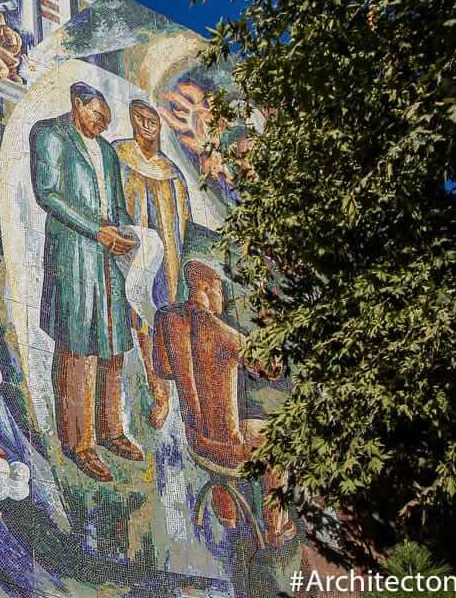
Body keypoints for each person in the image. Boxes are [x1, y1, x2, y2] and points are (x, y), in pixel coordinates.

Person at [30, 82, 143, 482]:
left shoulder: (108, 152)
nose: (100, 125)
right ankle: (79, 442)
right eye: (96, 117)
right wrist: (97, 230)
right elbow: (48, 194)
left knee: (113, 344)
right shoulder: (50, 134)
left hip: (109, 257)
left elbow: (117, 203)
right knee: (77, 348)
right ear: (77, 104)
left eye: (105, 121)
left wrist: (127, 234)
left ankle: (112, 431)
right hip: (74, 256)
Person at [152, 260, 294, 546]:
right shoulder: (226, 335)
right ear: (208, 287)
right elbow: (273, 369)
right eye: (221, 292)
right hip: (229, 450)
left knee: (219, 426)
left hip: (195, 441)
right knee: (279, 442)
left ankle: (227, 514)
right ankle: (275, 530)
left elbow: (163, 368)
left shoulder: (165, 319)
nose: (223, 301)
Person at [112, 99, 191, 429]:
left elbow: (183, 217)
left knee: (152, 321)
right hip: (125, 248)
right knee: (119, 318)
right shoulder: (118, 155)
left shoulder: (171, 173)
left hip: (164, 257)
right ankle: (112, 409)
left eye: (151, 120)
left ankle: (162, 394)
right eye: (138, 119)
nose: (145, 125)